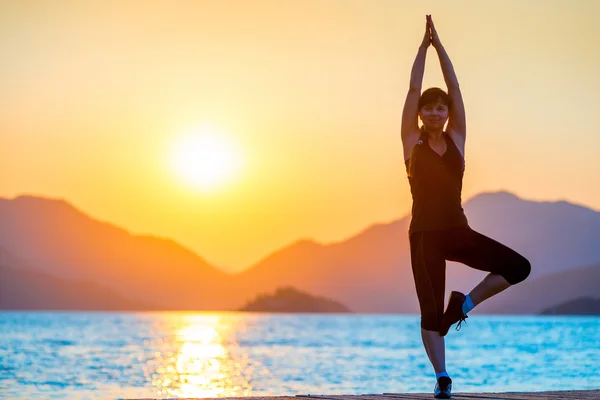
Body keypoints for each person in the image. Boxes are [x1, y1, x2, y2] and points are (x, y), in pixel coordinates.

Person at [401, 15, 531, 399]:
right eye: (430, 108)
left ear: (447, 114)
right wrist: (422, 50)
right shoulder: (412, 143)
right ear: (422, 116)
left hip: (457, 231)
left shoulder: (457, 138)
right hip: (424, 235)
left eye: (442, 108)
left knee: (518, 267)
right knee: (429, 311)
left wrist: (441, 46)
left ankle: (463, 304)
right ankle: (442, 376)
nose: (437, 112)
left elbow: (456, 87)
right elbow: (412, 90)